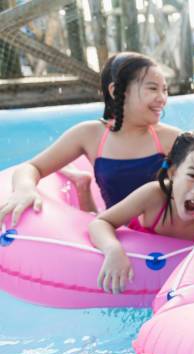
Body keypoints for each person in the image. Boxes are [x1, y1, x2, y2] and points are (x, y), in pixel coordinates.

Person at [0, 52, 181, 227]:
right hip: (112, 229)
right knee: (97, 221)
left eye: (164, 90)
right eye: (153, 88)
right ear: (117, 91)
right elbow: (31, 167)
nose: (162, 98)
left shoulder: (171, 138)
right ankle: (82, 184)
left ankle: (82, 183)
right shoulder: (90, 134)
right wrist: (25, 189)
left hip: (157, 232)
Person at [89, 131, 194, 294]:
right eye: (192, 175)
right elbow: (100, 222)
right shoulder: (154, 195)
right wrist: (113, 250)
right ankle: (84, 190)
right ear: (173, 173)